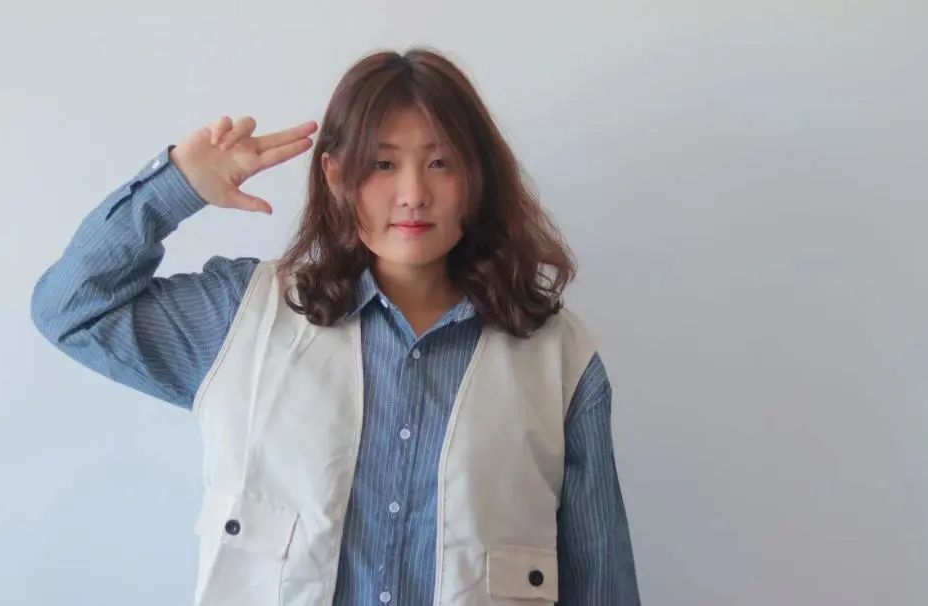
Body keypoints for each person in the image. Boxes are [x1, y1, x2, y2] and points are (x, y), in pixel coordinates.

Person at [31, 47, 640, 606]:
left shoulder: (557, 358)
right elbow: (72, 310)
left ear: (476, 179)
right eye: (382, 164)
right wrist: (175, 187)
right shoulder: (243, 319)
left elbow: (601, 581)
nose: (413, 194)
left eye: (440, 163)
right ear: (335, 175)